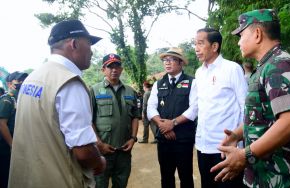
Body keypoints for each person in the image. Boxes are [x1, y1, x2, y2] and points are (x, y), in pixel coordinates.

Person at [210, 9, 290, 188]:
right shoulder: (265, 66)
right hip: (267, 176)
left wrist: (245, 155)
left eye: (241, 35)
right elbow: (264, 115)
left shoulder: (279, 65)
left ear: (258, 34)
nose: (238, 42)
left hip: (286, 179)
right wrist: (237, 134)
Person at [8, 20, 106, 188]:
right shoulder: (69, 83)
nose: (91, 51)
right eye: (89, 44)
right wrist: (100, 162)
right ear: (74, 44)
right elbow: (83, 151)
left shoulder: (33, 78)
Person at [193, 28, 248, 188]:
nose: (196, 48)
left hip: (226, 148)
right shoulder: (199, 73)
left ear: (215, 46)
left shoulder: (232, 69)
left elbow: (246, 107)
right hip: (203, 146)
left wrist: (240, 141)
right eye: (195, 44)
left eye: (200, 43)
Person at [147, 47, 198, 188]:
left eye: (172, 59)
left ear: (181, 63)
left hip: (183, 139)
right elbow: (150, 108)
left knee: (186, 176)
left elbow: (194, 109)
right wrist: (163, 125)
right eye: (165, 60)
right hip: (164, 138)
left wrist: (173, 123)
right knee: (166, 176)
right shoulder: (159, 84)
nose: (167, 63)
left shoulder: (192, 82)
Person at [90, 53, 141, 188]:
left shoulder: (130, 91)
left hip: (124, 151)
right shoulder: (94, 91)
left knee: (121, 183)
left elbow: (135, 116)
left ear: (121, 69)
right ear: (103, 70)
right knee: (100, 184)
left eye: (117, 66)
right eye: (110, 66)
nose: (114, 70)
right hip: (103, 151)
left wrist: (133, 138)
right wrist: (99, 144)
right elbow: (88, 121)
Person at [0, 71, 27, 188]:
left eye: (24, 80)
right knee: (6, 177)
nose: (22, 82)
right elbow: (2, 124)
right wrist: (12, 144)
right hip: (5, 148)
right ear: (10, 84)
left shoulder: (22, 99)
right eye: (19, 80)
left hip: (18, 146)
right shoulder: (7, 100)